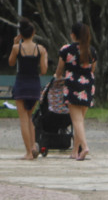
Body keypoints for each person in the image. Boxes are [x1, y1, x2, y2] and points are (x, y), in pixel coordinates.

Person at [54, 21, 97, 160]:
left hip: (72, 85)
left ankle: (84, 147)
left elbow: (59, 71)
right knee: (80, 121)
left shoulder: (66, 49)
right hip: (87, 86)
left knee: (76, 121)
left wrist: (58, 78)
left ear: (73, 35)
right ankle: (74, 152)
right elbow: (92, 69)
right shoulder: (91, 50)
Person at [8, 18, 48, 160]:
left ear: (20, 34)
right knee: (30, 117)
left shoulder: (16, 48)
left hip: (21, 84)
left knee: (23, 119)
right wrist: (44, 57)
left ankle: (28, 152)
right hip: (34, 84)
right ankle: (32, 146)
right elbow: (43, 70)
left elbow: (11, 63)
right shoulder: (41, 49)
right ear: (34, 33)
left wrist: (14, 44)